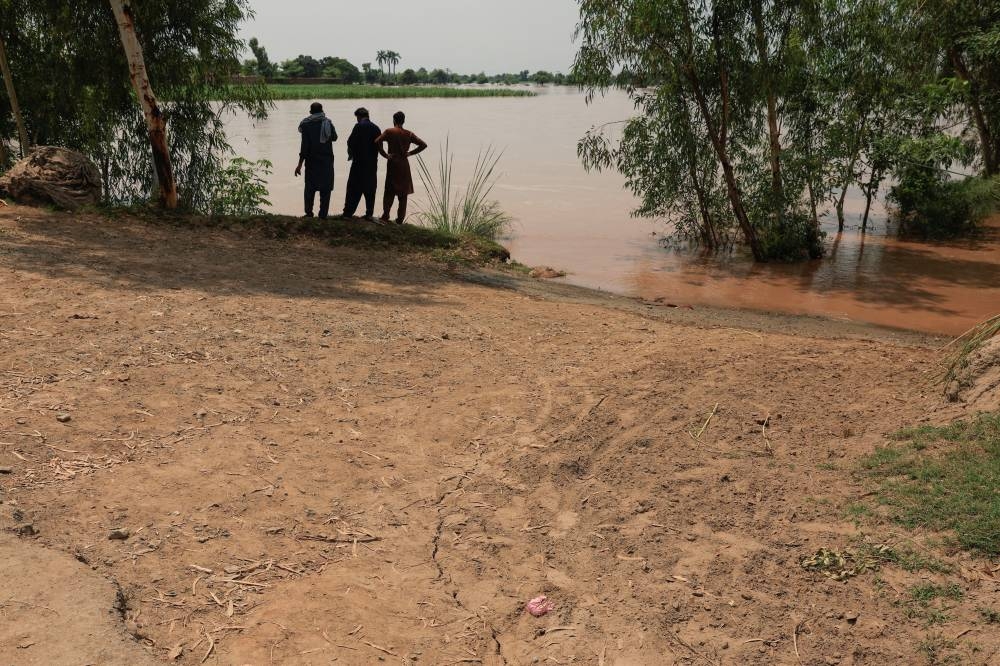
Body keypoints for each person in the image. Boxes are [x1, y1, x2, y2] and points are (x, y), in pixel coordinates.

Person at [375, 111, 427, 224]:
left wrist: (385, 155)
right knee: (403, 193)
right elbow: (423, 145)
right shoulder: (409, 134)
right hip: (404, 164)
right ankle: (400, 219)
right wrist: (410, 153)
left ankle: (385, 216)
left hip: (393, 163)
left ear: (394, 120)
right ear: (403, 121)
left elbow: (377, 141)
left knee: (389, 190)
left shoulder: (389, 131)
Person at [294, 102, 338, 219]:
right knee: (326, 188)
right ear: (322, 110)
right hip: (326, 161)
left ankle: (308, 213)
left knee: (310, 187)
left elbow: (304, 147)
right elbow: (334, 137)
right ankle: (323, 215)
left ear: (310, 112)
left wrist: (299, 165)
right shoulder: (327, 122)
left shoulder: (306, 124)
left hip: (311, 161)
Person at [338, 108, 381, 221]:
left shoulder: (358, 126)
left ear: (359, 116)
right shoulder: (376, 128)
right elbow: (379, 146)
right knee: (370, 188)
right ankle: (369, 214)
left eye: (357, 117)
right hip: (371, 164)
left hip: (358, 163)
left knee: (353, 187)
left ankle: (348, 213)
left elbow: (350, 142)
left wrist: (351, 153)